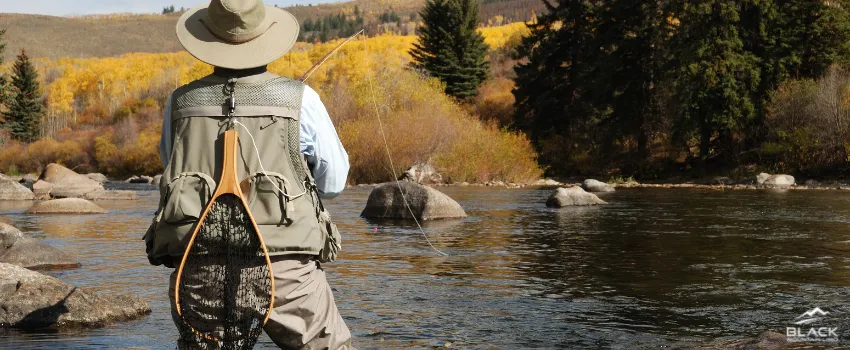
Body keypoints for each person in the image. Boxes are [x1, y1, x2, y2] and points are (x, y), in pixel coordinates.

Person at [143, 0, 353, 348]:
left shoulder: (179, 103)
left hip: (199, 265)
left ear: (208, 39)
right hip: (286, 267)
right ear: (265, 36)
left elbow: (171, 168)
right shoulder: (303, 99)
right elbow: (333, 184)